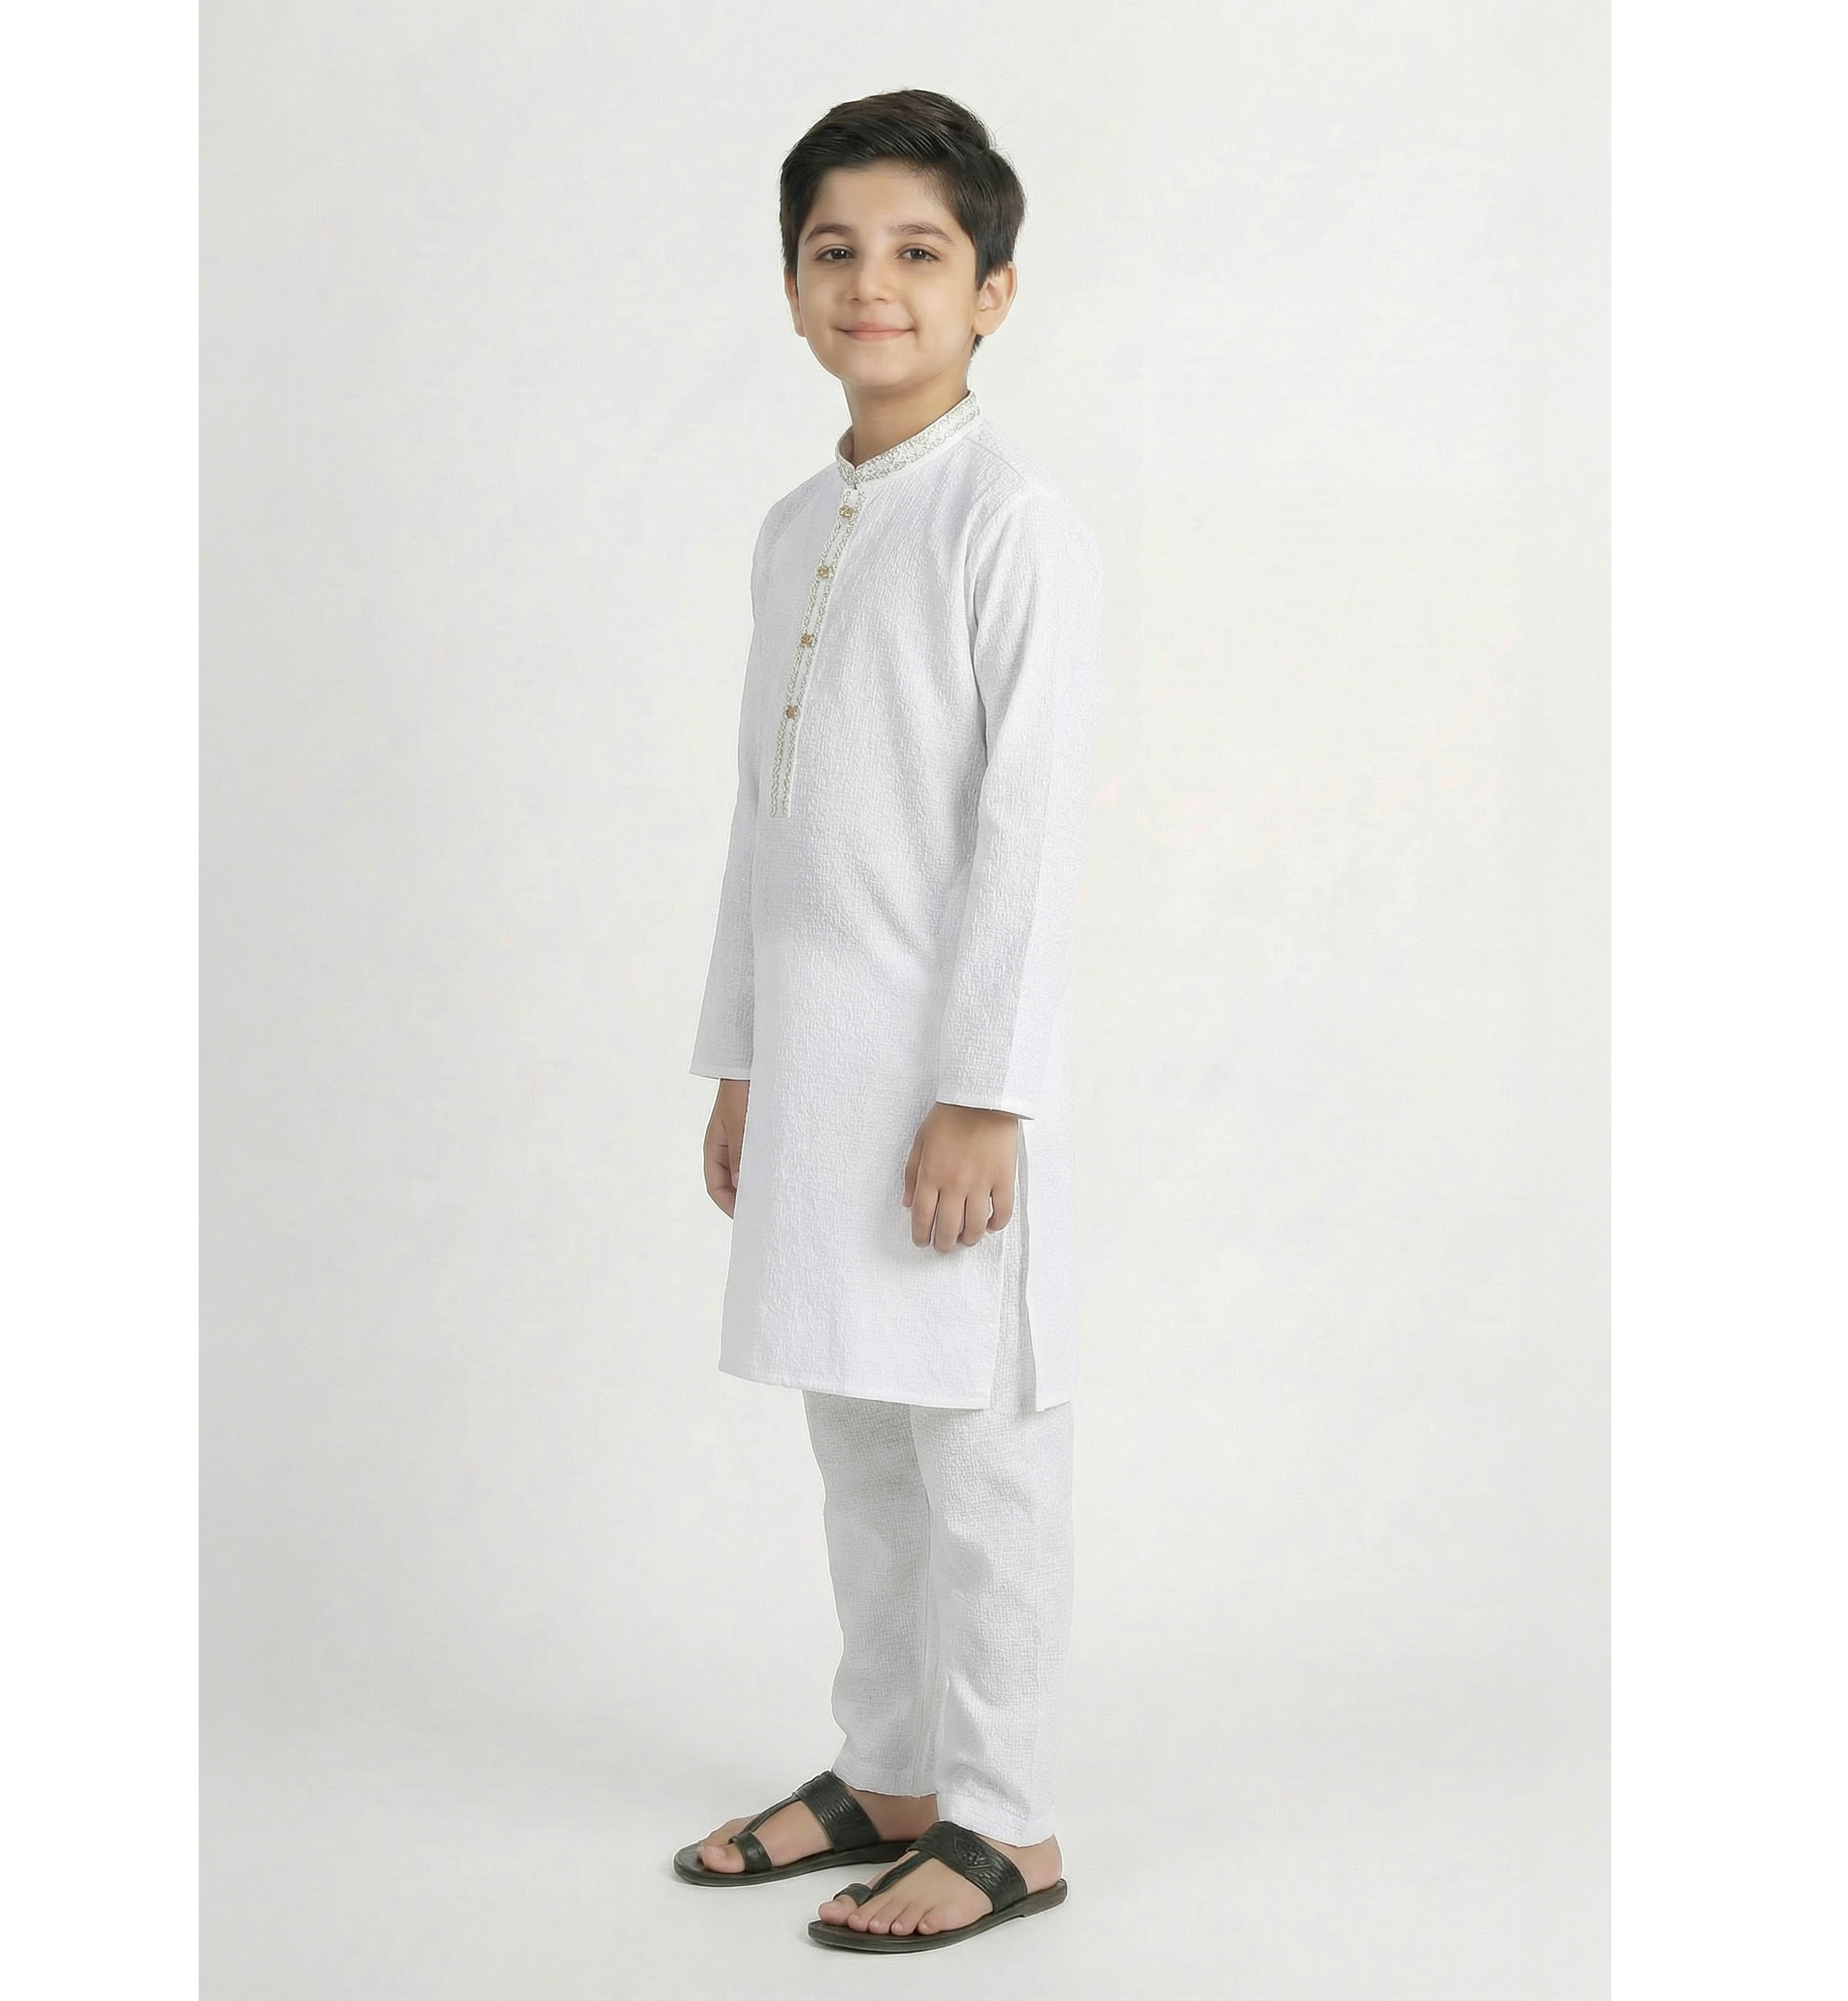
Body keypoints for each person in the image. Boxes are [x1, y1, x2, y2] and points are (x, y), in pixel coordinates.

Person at [673, 87, 1106, 1955]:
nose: (872, 282)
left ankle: (1007, 1815)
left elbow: (1030, 832)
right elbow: (762, 816)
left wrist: (985, 1092)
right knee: (857, 1436)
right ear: (791, 288)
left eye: (919, 251)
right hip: (821, 1067)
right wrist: (742, 1055)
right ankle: (891, 1768)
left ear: (991, 291)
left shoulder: (1013, 527)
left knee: (978, 1450)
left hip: (948, 1087)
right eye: (833, 249)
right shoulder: (798, 527)